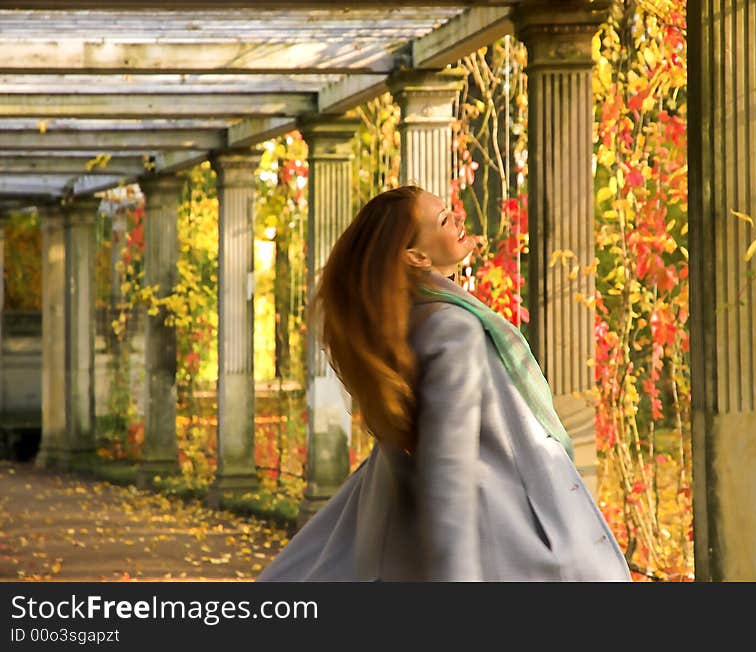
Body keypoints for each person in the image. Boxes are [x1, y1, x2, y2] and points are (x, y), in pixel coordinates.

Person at [258, 185, 632, 582]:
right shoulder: (453, 329)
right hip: (510, 549)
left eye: (450, 210)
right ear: (416, 257)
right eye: (442, 219)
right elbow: (449, 466)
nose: (457, 217)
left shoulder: (401, 331)